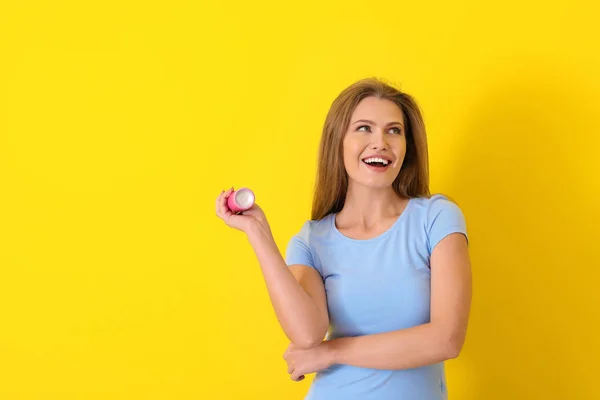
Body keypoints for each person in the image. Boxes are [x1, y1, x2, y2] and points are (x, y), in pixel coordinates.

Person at [215, 77, 472, 399]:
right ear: (338, 141)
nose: (380, 142)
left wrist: (331, 352)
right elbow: (307, 334)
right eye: (364, 128)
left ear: (407, 148)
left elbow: (446, 340)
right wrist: (258, 233)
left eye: (394, 130)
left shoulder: (436, 218)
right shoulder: (312, 240)